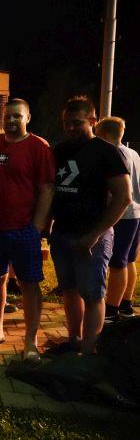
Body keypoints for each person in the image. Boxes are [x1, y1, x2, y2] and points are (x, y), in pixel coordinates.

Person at [50, 99, 130, 355]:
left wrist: (95, 235)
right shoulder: (59, 150)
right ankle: (74, 342)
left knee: (93, 294)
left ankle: (89, 352)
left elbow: (123, 197)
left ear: (93, 121)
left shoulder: (107, 152)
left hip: (93, 237)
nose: (71, 128)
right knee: (70, 290)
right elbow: (51, 191)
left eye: (77, 123)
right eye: (66, 123)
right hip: (62, 233)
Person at [0, 98, 55, 362]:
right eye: (8, 116)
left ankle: (30, 340)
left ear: (27, 118)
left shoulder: (38, 147)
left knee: (29, 285)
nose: (11, 120)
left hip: (24, 230)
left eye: (17, 116)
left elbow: (47, 188)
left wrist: (37, 226)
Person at [97, 117, 140, 322]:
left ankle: (112, 310)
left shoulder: (112, 154)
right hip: (136, 213)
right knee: (129, 259)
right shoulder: (133, 153)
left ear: (105, 135)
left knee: (117, 262)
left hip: (121, 213)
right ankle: (126, 304)